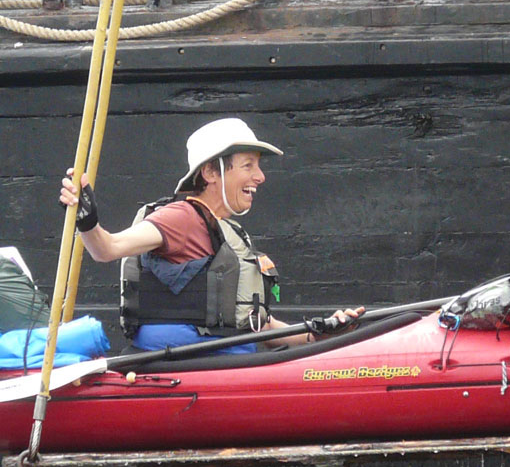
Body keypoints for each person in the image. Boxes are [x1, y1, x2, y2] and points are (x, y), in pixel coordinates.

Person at [58, 118, 363, 354]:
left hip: (227, 361)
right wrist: (87, 221)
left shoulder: (225, 231)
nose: (260, 177)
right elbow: (108, 249)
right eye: (248, 166)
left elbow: (256, 325)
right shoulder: (181, 217)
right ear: (211, 173)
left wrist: (320, 332)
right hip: (185, 370)